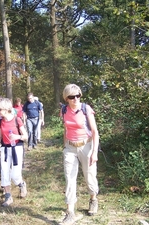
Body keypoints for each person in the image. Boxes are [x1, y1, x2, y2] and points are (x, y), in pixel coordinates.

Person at [59, 84, 100, 224]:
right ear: (66, 99)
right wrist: (65, 146)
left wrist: (94, 152)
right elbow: (65, 128)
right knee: (69, 179)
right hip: (70, 148)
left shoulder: (85, 109)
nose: (75, 98)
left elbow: (95, 131)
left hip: (86, 146)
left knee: (89, 176)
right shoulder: (64, 110)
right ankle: (70, 212)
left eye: (78, 95)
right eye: (71, 96)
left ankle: (93, 199)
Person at [0, 98, 28, 206]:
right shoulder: (0, 121)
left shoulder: (17, 120)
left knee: (15, 175)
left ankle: (21, 184)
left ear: (6, 110)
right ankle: (8, 197)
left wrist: (17, 136)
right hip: (5, 148)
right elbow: (0, 136)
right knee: (4, 172)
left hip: (17, 148)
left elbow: (25, 136)